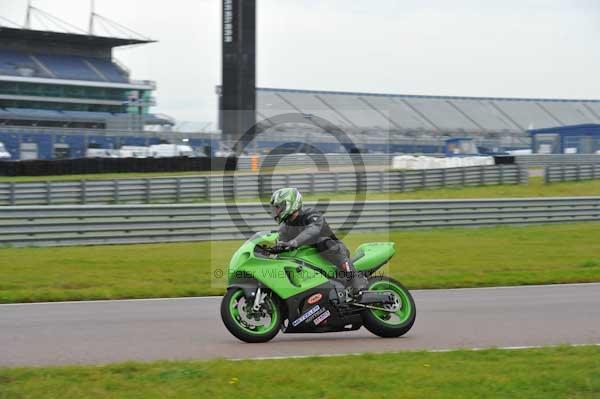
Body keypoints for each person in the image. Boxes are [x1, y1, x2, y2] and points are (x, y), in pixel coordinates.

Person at [270, 187, 368, 295]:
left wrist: (294, 242)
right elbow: (280, 242)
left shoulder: (311, 214)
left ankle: (356, 279)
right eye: (276, 208)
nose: (276, 211)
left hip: (335, 251)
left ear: (289, 204)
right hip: (310, 259)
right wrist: (269, 249)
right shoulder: (286, 226)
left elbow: (313, 230)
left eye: (279, 207)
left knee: (323, 242)